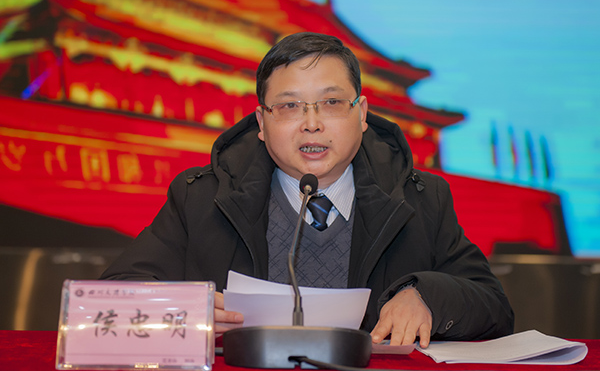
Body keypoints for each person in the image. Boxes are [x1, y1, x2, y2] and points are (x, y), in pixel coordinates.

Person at [101, 32, 514, 347]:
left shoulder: (420, 199)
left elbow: (493, 306)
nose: (312, 124)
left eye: (331, 103)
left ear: (362, 114)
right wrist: (180, 312)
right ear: (262, 123)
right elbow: (112, 298)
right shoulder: (203, 198)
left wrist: (429, 296)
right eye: (289, 106)